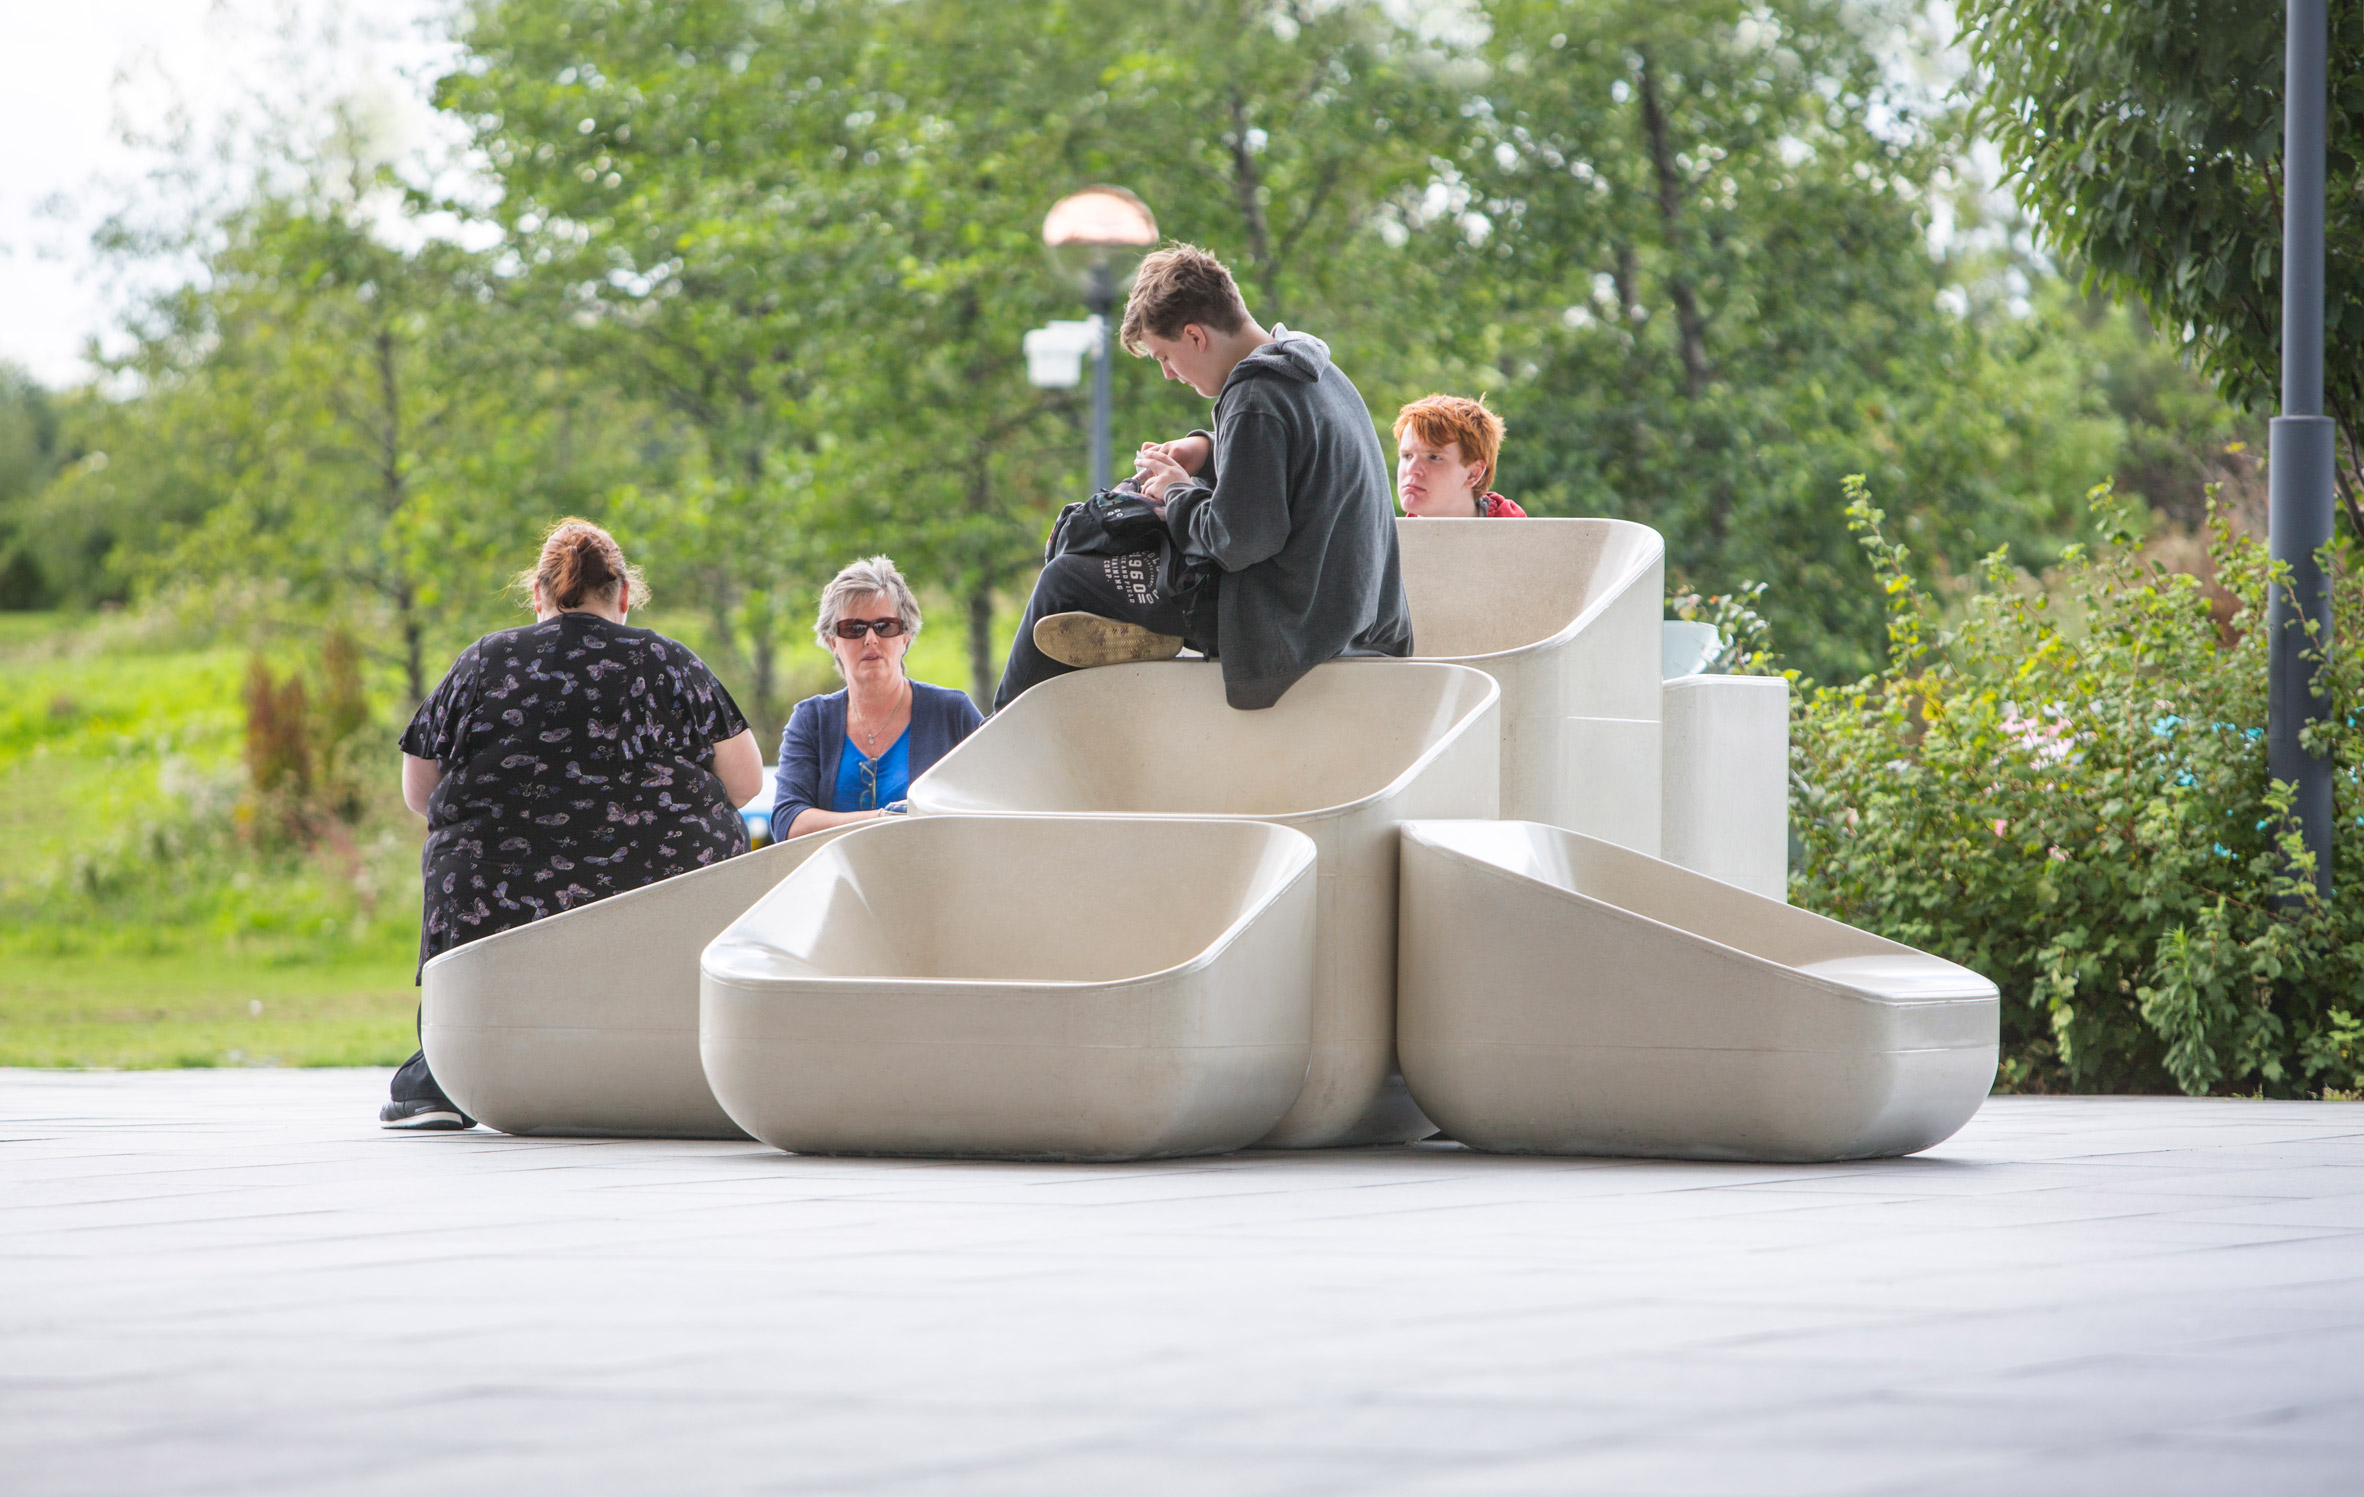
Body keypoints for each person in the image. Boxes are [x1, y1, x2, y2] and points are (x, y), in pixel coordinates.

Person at [383, 519, 763, 1130]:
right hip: (658, 896)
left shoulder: (484, 661)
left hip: (500, 901)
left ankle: (441, 1076)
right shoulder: (668, 660)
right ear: (623, 596)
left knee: (460, 851)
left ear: (538, 595)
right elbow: (747, 785)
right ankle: (698, 1057)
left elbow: (418, 790)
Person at [995, 243, 1412, 712]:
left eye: (1163, 357)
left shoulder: (1254, 397)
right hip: (1356, 614)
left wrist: (1176, 492)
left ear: (1195, 335)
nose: (1169, 375)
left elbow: (1239, 541)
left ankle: (992, 740)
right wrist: (1208, 449)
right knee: (1133, 538)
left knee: (1065, 581)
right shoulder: (1311, 371)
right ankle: (1139, 620)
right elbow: (1290, 472)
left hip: (1290, 624)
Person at [771, 556, 983, 839]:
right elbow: (788, 822)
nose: (871, 639)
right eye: (854, 628)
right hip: (836, 881)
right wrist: (884, 818)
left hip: (936, 877)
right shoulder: (811, 720)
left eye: (885, 626)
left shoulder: (952, 712)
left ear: (905, 636)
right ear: (833, 641)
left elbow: (994, 801)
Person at [1394, 394, 1526, 518]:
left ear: (1474, 473)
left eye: (1434, 457)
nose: (1411, 469)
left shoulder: (1524, 539)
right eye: (1407, 456)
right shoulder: (1386, 538)